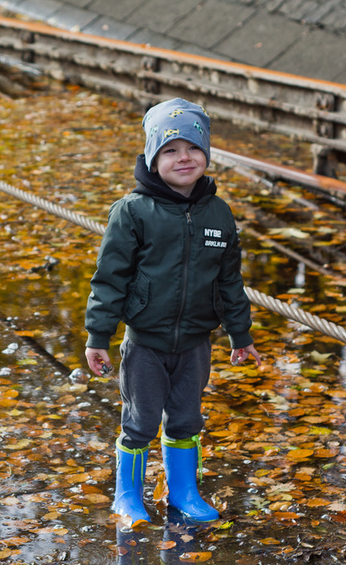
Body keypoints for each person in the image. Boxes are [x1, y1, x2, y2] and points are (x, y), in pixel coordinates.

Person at [84, 97, 261, 527]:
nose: (184, 158)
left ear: (206, 154)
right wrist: (98, 337)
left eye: (193, 148)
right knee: (140, 421)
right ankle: (128, 495)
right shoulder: (133, 211)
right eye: (170, 150)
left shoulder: (218, 214)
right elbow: (109, 278)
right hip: (146, 342)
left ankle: (183, 490)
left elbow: (229, 282)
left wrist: (241, 335)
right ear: (152, 156)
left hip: (196, 343)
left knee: (186, 418)